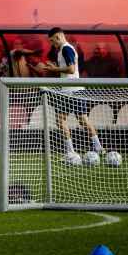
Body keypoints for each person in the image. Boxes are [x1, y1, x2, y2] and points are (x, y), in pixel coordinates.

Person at [36, 27, 105, 160]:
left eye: (52, 40)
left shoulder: (66, 49)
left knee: (78, 120)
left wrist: (54, 68)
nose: (52, 44)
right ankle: (79, 150)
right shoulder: (62, 50)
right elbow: (66, 69)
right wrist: (53, 67)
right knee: (67, 120)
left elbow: (72, 69)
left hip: (73, 91)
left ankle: (87, 149)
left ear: (58, 37)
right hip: (69, 90)